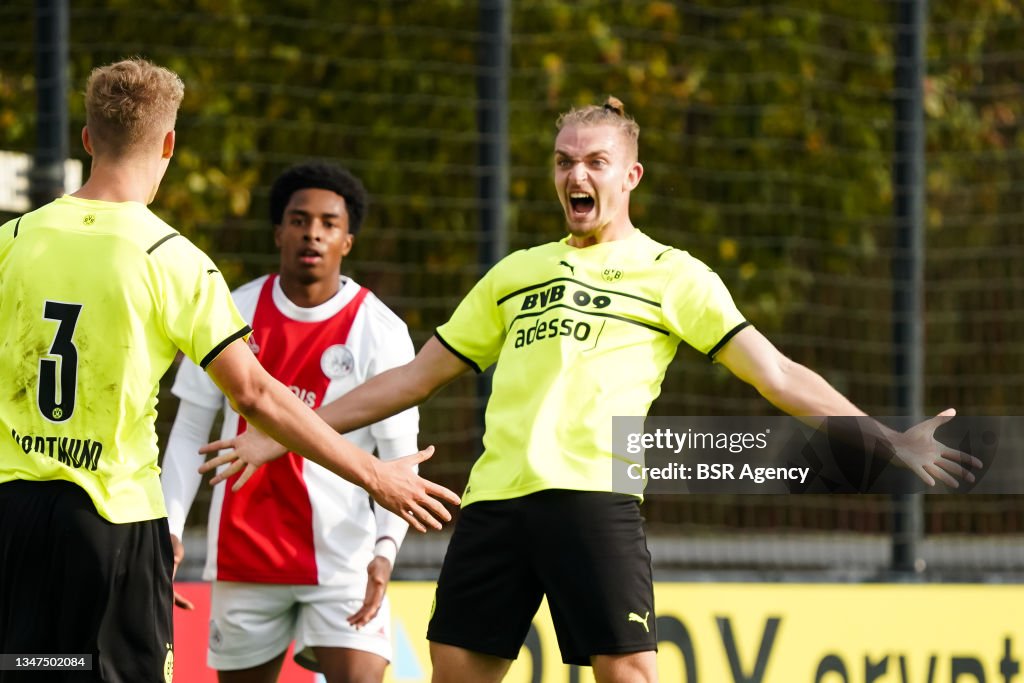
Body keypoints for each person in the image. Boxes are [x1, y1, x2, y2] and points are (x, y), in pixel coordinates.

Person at [201, 97, 982, 683]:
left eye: (594, 161)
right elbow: (410, 379)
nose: (576, 173)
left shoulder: (675, 274)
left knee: (629, 674)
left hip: (592, 498)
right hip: (495, 504)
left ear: (629, 174)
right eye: (564, 160)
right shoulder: (514, 274)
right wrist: (277, 430)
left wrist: (883, 436)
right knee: (454, 671)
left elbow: (777, 373)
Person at [0, 58, 458, 683]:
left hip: (16, 515)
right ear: (168, 144)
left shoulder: (15, 238)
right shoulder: (173, 259)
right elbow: (255, 395)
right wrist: (374, 474)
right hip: (112, 521)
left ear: (86, 139)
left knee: (31, 668)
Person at [161, 161, 418, 683]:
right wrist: (169, 527)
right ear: (279, 231)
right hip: (244, 558)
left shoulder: (380, 329)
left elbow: (400, 458)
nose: (313, 233)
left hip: (345, 559)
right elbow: (190, 430)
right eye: (300, 220)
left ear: (348, 240)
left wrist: (385, 551)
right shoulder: (230, 311)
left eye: (329, 223)